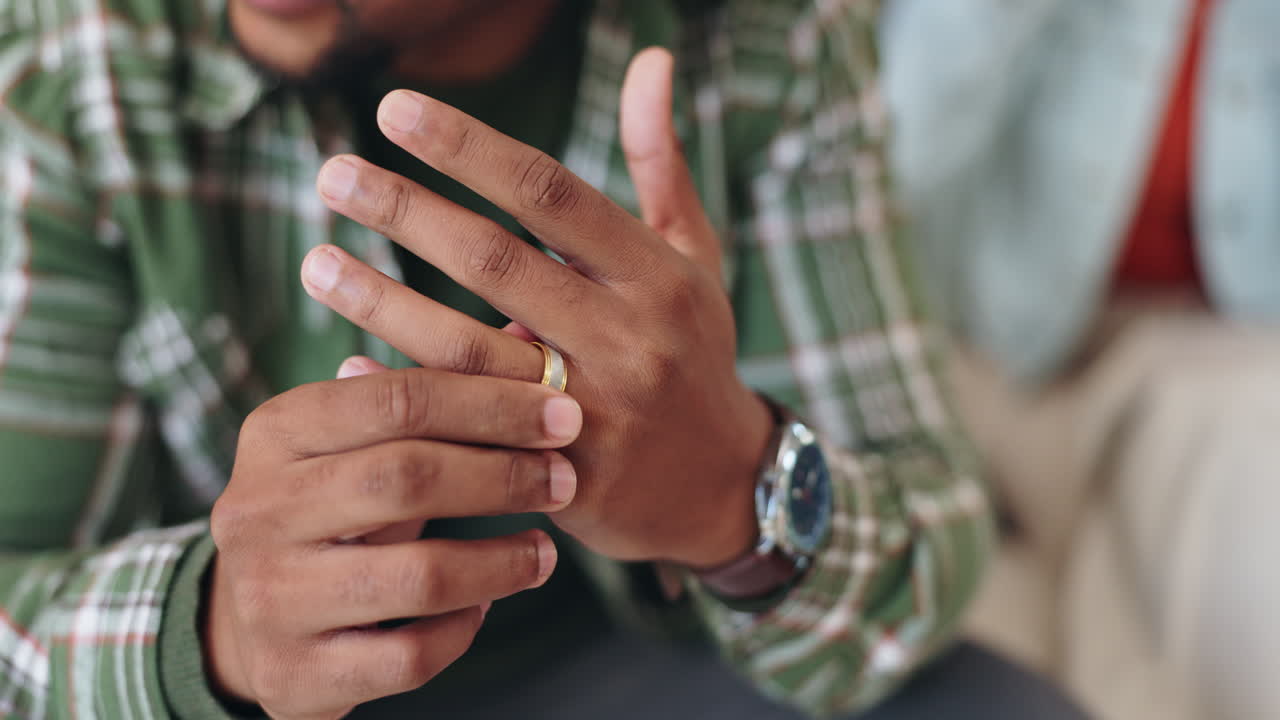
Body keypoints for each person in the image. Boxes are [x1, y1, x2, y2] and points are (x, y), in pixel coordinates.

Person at [0, 1, 1085, 718]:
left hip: (627, 667)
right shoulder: (68, 64)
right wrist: (212, 632)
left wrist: (731, 490)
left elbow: (930, 530)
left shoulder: (770, 36)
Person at [884, 1, 1280, 718]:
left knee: (1238, 526)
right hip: (985, 352)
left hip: (1208, 350)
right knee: (979, 638)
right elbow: (892, 175)